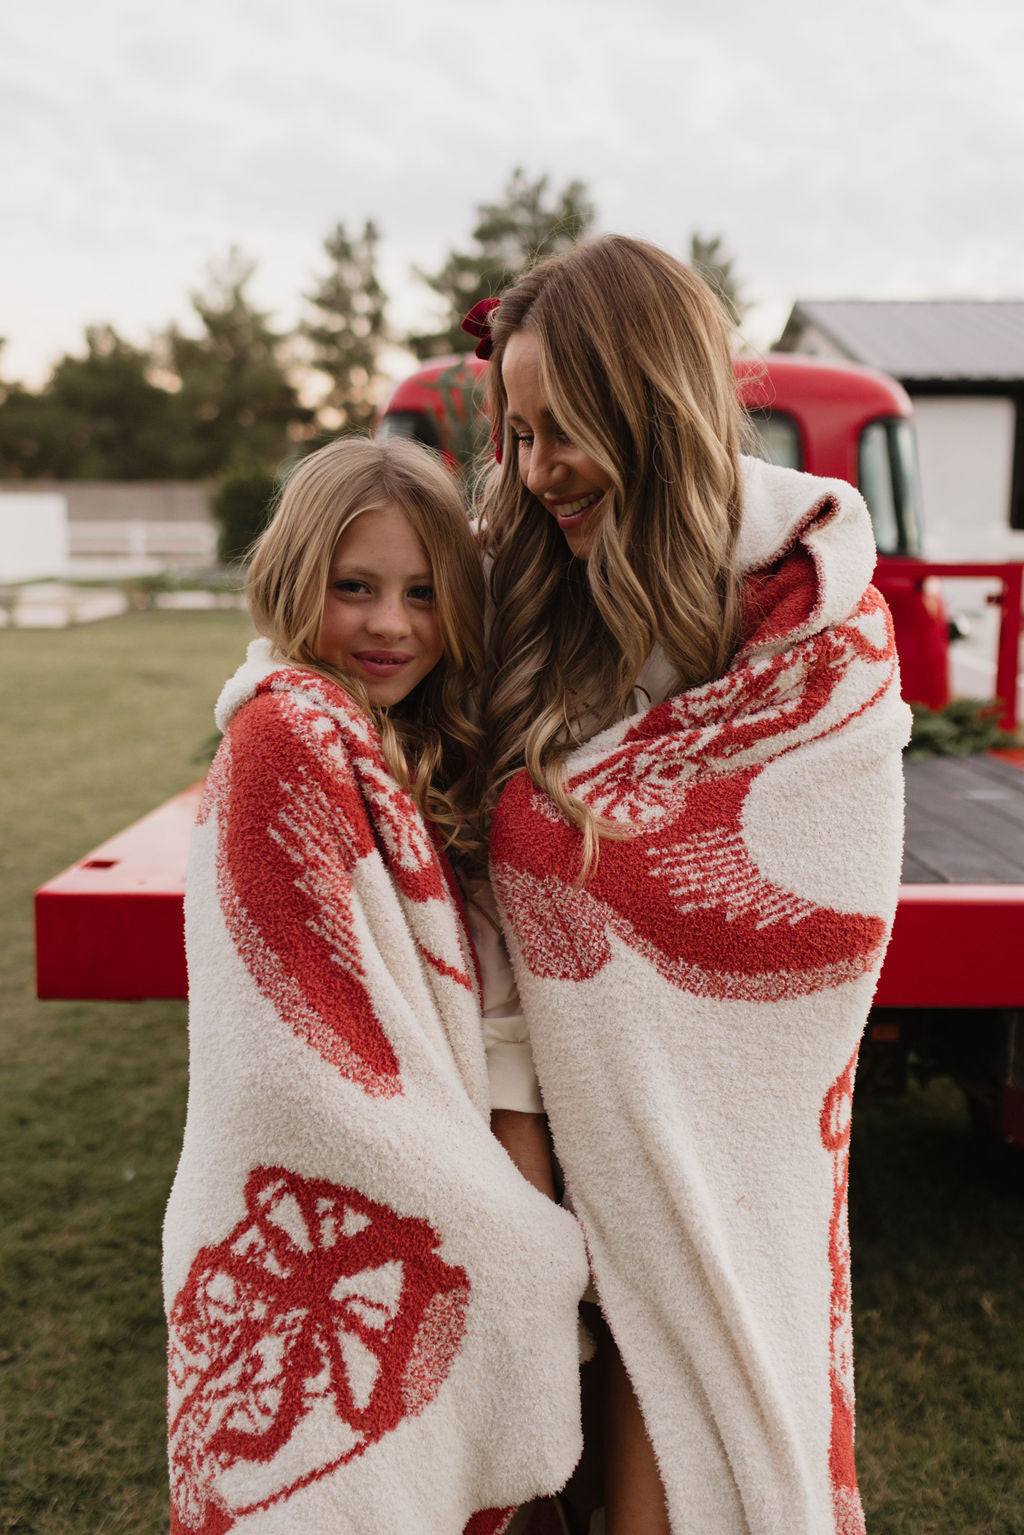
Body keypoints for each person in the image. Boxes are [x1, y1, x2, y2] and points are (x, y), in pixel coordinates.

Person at [470, 237, 911, 1535]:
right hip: (517, 1108)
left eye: (565, 431)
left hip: (704, 1131)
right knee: (530, 1437)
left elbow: (815, 899)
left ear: (649, 406)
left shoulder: (807, 618)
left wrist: (572, 845)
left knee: (660, 1449)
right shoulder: (528, 591)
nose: (536, 468)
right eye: (519, 431)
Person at [162, 435, 588, 1535]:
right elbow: (294, 1052)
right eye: (354, 588)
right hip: (342, 1184)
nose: (390, 623)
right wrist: (503, 1222)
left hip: (476, 1124)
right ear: (295, 578)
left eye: (423, 593)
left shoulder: (413, 744)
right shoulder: (287, 739)